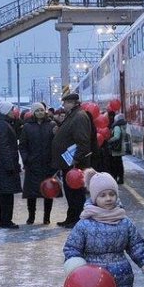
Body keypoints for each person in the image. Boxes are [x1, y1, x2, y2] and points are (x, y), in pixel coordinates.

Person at [51, 92, 95, 226]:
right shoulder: (74, 115)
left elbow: (83, 141)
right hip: (68, 163)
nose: (63, 105)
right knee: (70, 193)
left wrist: (75, 160)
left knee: (75, 193)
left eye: (65, 103)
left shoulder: (79, 116)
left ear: (72, 103)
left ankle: (76, 219)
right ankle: (71, 218)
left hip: (74, 163)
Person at [19, 102, 57, 225]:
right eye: (37, 111)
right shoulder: (27, 127)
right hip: (32, 165)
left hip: (48, 165)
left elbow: (56, 144)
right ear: (33, 112)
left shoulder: (52, 125)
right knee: (31, 193)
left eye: (42, 110)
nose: (40, 112)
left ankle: (47, 217)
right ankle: (31, 216)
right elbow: (23, 145)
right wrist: (26, 159)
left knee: (48, 191)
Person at [0, 103, 22, 229]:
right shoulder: (3, 125)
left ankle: (6, 220)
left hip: (3, 165)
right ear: (6, 111)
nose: (14, 112)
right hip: (4, 167)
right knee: (7, 195)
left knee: (7, 194)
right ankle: (6, 221)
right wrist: (10, 166)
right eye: (12, 109)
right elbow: (4, 146)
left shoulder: (2, 123)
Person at [106, 111, 129, 184]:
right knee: (120, 163)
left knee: (115, 164)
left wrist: (109, 140)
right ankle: (121, 178)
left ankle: (115, 177)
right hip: (121, 147)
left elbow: (116, 137)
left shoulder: (116, 127)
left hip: (116, 148)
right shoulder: (123, 126)